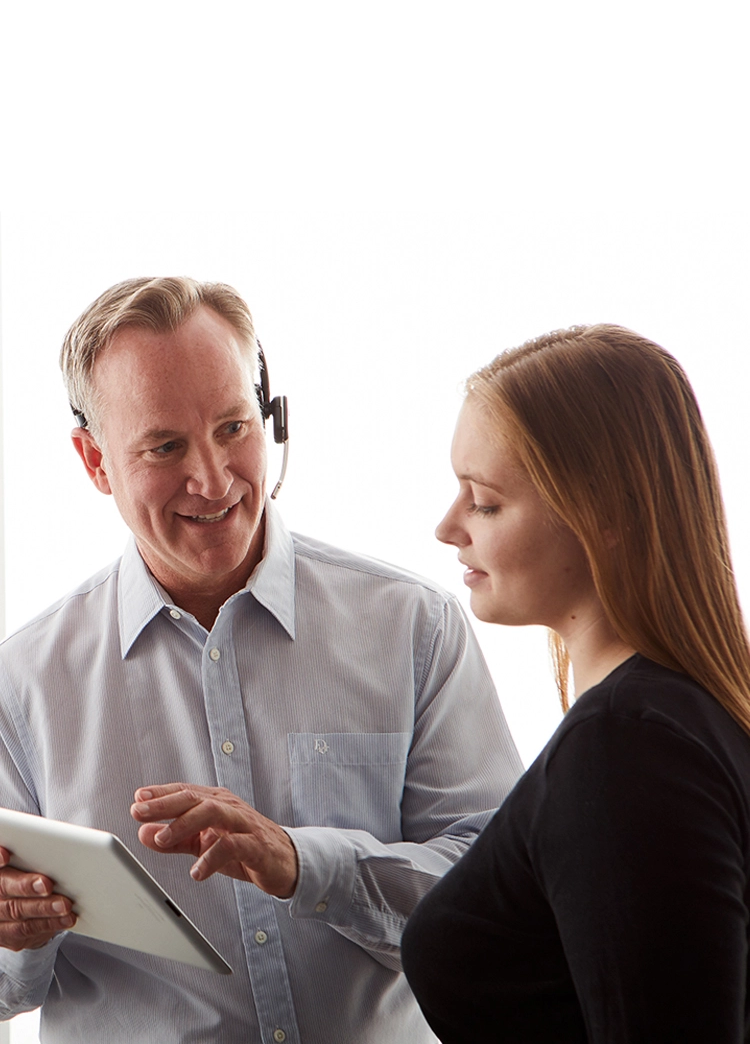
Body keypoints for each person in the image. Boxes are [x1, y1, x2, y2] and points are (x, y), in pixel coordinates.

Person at [0, 277, 522, 1043]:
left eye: (234, 426)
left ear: (272, 415)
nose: (212, 478)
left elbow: (503, 903)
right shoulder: (21, 686)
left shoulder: (414, 625)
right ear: (94, 460)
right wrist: (14, 932)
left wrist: (305, 863)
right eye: (165, 446)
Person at [401, 323, 750, 1043]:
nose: (447, 526)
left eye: (485, 501)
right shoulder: (678, 722)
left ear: (605, 513)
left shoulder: (626, 749)